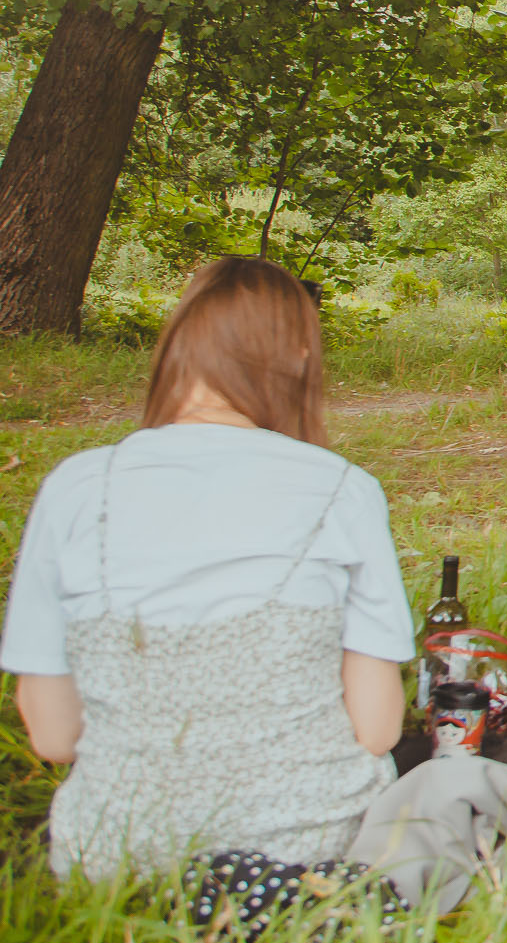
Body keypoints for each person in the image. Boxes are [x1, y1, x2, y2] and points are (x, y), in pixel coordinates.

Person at [1, 257, 412, 879]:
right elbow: (378, 729)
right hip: (306, 847)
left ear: (180, 347)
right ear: (299, 353)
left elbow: (55, 737)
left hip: (112, 858)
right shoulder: (344, 489)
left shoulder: (77, 488)